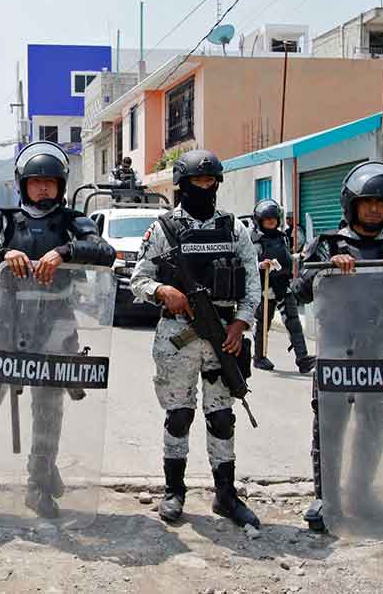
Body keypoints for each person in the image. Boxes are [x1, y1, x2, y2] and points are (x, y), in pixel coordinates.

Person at [0, 140, 114, 520]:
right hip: (8, 320)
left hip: (56, 324)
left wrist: (65, 252)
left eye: (49, 182)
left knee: (48, 408)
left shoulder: (72, 221)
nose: (43, 188)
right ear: (22, 183)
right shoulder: (5, 219)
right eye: (35, 182)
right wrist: (3, 254)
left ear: (60, 184)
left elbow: (104, 251)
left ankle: (38, 483)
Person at [290, 161, 383, 532]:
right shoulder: (328, 244)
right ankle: (327, 497)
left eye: (381, 204)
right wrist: (326, 268)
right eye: (367, 202)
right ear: (351, 204)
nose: (374, 209)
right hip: (337, 347)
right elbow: (299, 290)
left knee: (374, 423)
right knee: (330, 425)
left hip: (382, 348)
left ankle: (361, 494)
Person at [129, 149, 261, 527]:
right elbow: (138, 279)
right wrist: (161, 292)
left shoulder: (235, 229)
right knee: (180, 415)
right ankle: (174, 491)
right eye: (196, 182)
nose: (204, 188)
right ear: (182, 186)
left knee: (221, 417)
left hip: (223, 336)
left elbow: (253, 287)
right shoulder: (163, 229)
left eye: (209, 181)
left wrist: (240, 324)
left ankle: (225, 495)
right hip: (178, 335)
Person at [248, 199, 314, 374]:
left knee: (293, 321)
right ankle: (259, 357)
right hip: (265, 287)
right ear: (259, 220)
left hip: (283, 284)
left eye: (273, 219)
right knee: (263, 323)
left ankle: (302, 358)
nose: (271, 222)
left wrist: (300, 256)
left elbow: (287, 258)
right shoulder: (255, 240)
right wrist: (261, 265)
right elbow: (248, 262)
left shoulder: (282, 237)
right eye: (267, 219)